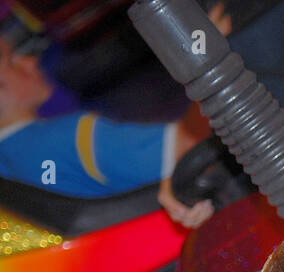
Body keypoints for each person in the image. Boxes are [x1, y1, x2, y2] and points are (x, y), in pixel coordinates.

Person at [0, 30, 214, 226]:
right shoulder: (67, 138)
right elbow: (188, 147)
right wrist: (208, 59)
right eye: (11, 62)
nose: (31, 62)